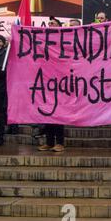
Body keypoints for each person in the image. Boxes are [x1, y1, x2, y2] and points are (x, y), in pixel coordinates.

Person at [38, 17, 66, 153]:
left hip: (61, 83)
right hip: (46, 81)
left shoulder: (64, 40)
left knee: (59, 114)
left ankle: (60, 143)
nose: (50, 25)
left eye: (53, 23)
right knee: (47, 114)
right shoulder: (43, 41)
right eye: (49, 23)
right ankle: (49, 142)